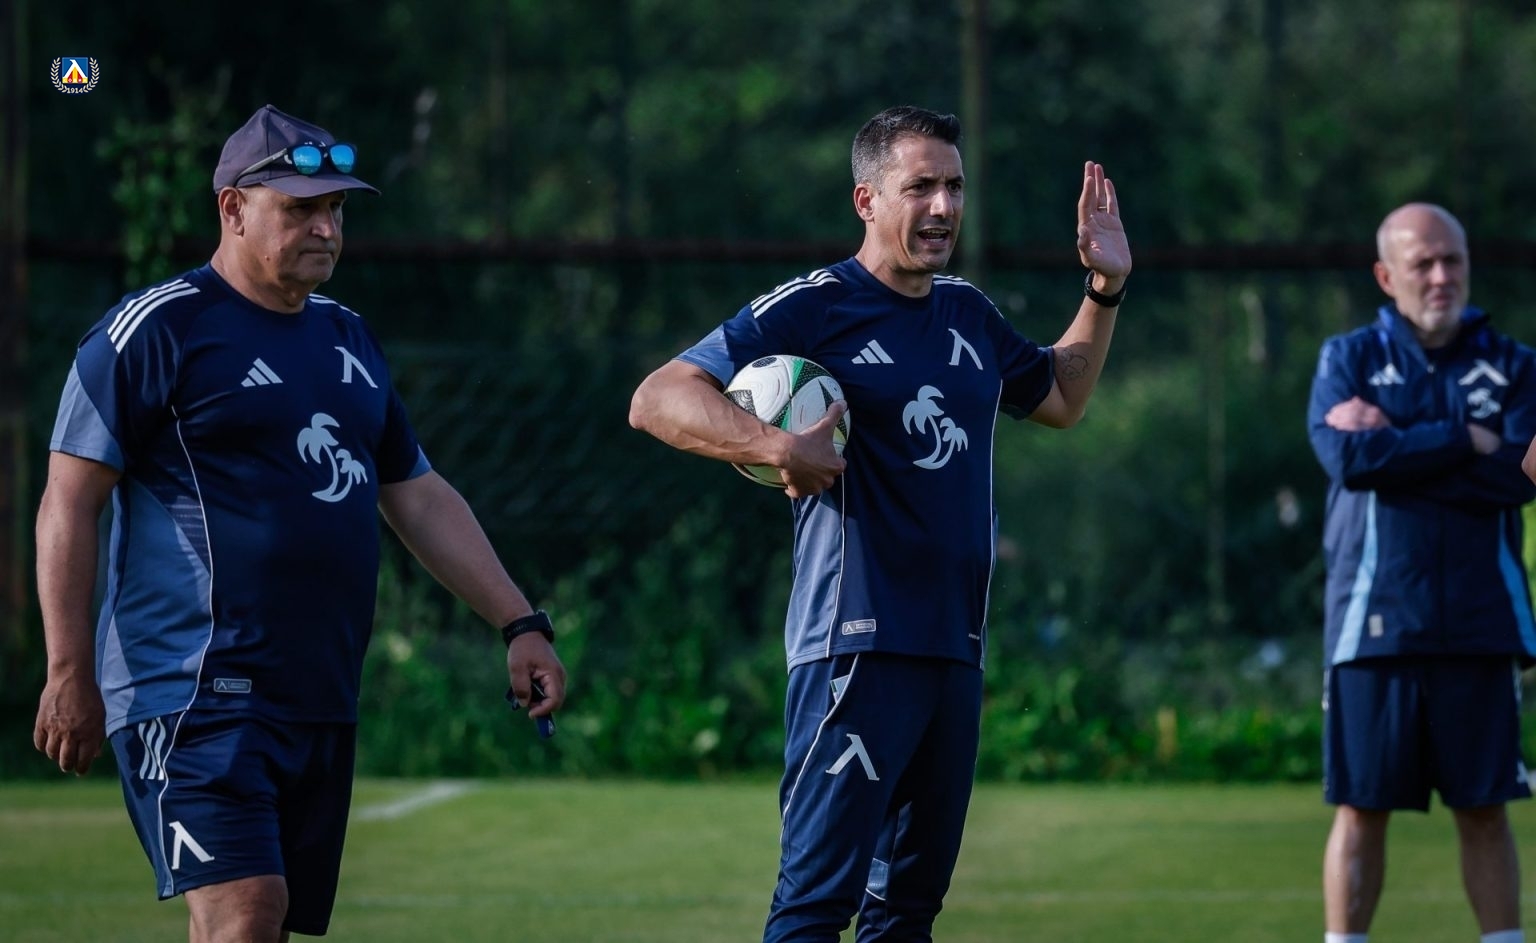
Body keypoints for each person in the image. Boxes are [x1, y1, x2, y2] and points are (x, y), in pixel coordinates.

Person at [32, 104, 566, 942]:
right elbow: (68, 499)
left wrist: (519, 621)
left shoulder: (348, 337)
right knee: (246, 914)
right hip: (194, 691)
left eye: (336, 209)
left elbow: (417, 494)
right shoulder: (158, 329)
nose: (326, 227)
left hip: (316, 697)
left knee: (258, 925)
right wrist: (68, 669)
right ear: (233, 208)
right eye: (301, 208)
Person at [629, 105, 1130, 942]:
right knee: (815, 907)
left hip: (955, 648)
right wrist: (774, 446)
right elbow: (658, 397)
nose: (944, 206)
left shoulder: (968, 313)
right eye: (921, 186)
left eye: (955, 187)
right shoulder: (820, 305)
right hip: (854, 648)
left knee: (907, 914)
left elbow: (1061, 396)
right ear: (866, 200)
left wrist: (1104, 288)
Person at [1307, 202, 1536, 943]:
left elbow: (1520, 476)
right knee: (1361, 807)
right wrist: (1466, 438)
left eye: (1453, 260)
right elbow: (1348, 459)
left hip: (1481, 621)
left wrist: (1399, 447)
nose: (1442, 276)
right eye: (1423, 263)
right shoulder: (1346, 359)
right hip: (1373, 622)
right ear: (1386, 276)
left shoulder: (1516, 365)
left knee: (1486, 808)